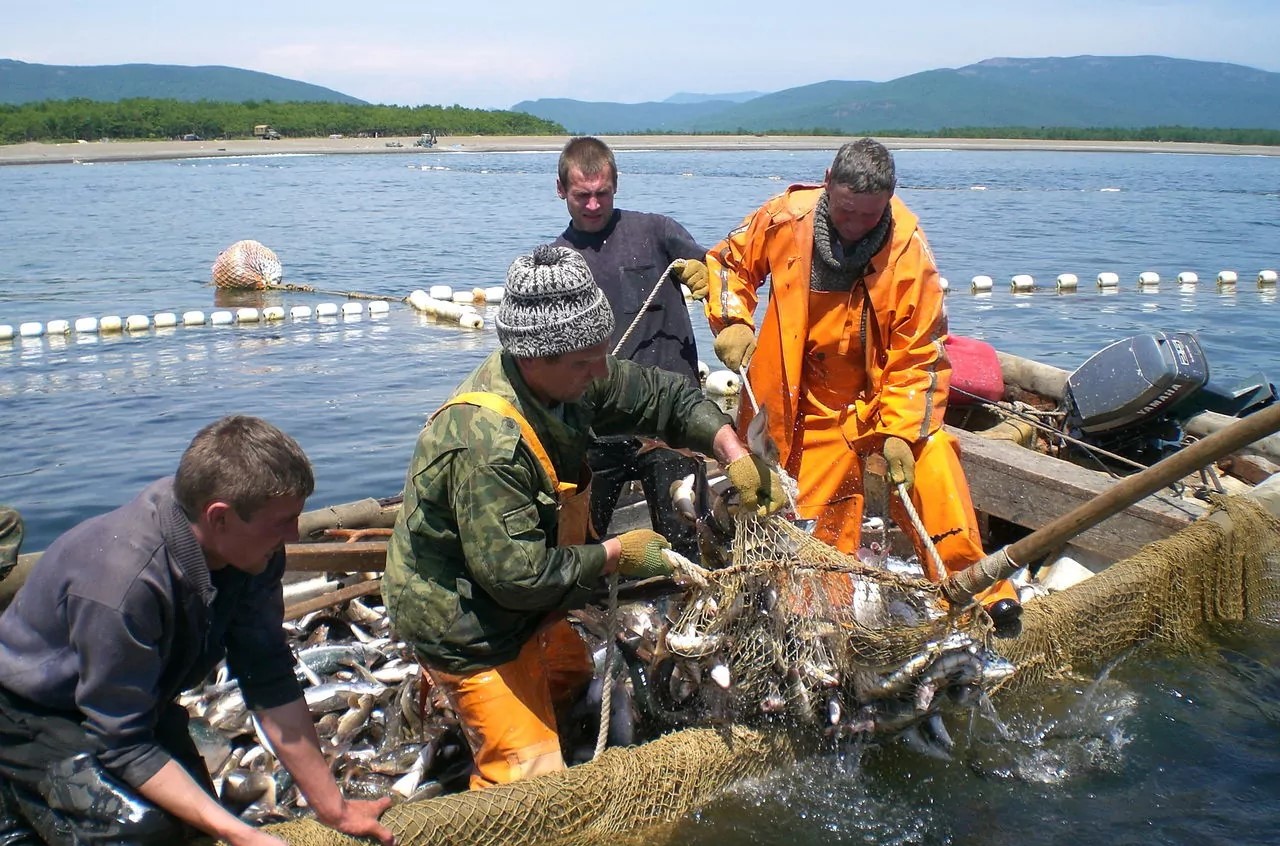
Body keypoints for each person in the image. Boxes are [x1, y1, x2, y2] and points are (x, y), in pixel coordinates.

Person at [383, 245, 783, 790]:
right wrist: (617, 553)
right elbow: (518, 579)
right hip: (465, 619)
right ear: (533, 357)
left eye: (599, 353)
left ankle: (526, 712)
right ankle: (480, 720)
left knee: (571, 678)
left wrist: (732, 452)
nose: (601, 371)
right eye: (584, 361)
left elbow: (661, 397)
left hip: (527, 595)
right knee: (530, 785)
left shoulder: (572, 374)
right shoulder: (486, 443)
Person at [0, 416, 396, 846]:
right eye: (282, 521)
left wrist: (334, 809)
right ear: (219, 517)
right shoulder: (124, 585)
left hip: (139, 705)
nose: (292, 533)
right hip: (29, 714)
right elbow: (121, 742)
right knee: (140, 833)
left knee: (192, 827)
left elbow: (268, 676)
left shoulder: (252, 553)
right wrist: (240, 833)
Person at [703, 137, 1021, 630]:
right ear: (828, 185)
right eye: (845, 212)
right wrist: (733, 321)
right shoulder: (786, 217)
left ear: (888, 202)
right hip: (794, 395)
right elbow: (727, 264)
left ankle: (974, 590)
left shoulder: (909, 252)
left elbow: (919, 354)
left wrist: (898, 432)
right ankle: (818, 623)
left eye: (868, 218)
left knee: (932, 456)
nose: (853, 227)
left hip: (878, 395)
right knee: (814, 536)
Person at [552, 136, 711, 559]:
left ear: (615, 186)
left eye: (601, 194)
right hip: (595, 426)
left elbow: (727, 272)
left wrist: (706, 273)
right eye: (581, 195)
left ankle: (691, 612)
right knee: (579, 545)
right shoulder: (555, 261)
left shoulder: (657, 232)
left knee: (686, 540)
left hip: (670, 420)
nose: (592, 205)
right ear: (560, 190)